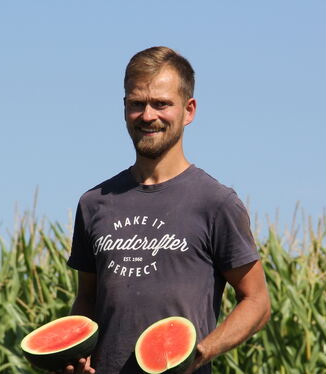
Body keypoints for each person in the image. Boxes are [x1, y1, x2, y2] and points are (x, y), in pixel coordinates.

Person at [62, 46, 270, 374]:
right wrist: (76, 352)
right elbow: (87, 298)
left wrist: (200, 353)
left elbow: (258, 302)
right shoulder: (94, 203)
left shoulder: (215, 202)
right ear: (124, 107)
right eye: (136, 104)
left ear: (189, 110)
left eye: (161, 104)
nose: (148, 116)